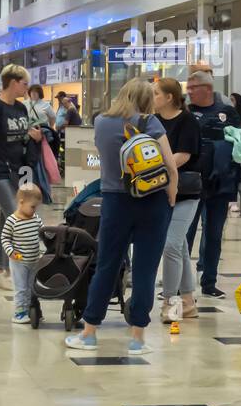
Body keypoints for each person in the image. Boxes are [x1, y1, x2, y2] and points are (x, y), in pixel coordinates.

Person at [65, 77, 178, 355]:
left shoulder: (102, 122)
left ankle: (89, 333)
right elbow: (170, 165)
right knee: (145, 270)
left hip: (115, 202)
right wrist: (170, 200)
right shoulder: (150, 123)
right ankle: (137, 339)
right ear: (145, 99)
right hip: (152, 202)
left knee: (107, 265)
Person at [0, 65, 41, 289]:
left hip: (17, 170)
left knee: (6, 220)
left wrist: (33, 136)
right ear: (13, 82)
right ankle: (15, 269)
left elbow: (21, 138)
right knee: (17, 215)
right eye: (25, 84)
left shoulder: (21, 109)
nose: (27, 88)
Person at [184, 70, 241, 299]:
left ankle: (209, 281)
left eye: (192, 87)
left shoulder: (227, 112)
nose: (188, 92)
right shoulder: (186, 113)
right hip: (191, 182)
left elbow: (240, 142)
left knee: (214, 233)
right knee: (184, 234)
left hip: (220, 184)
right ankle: (180, 283)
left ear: (207, 88)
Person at [153, 77, 202, 322]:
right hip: (160, 190)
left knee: (170, 245)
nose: (153, 99)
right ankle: (188, 301)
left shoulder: (187, 120)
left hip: (186, 192)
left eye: (156, 94)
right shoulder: (153, 121)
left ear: (169, 97)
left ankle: (170, 304)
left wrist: (157, 166)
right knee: (180, 246)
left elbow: (184, 155)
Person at [2, 184, 46, 324]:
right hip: (19, 261)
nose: (34, 210)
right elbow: (5, 238)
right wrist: (11, 251)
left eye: (36, 208)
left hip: (34, 259)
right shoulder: (12, 221)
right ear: (21, 202)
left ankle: (32, 309)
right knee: (21, 288)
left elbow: (43, 233)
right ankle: (19, 313)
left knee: (32, 287)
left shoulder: (36, 219)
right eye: (32, 207)